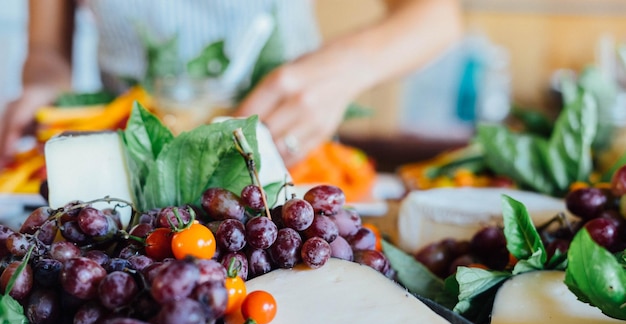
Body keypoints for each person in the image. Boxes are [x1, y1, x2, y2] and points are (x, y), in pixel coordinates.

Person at [0, 0, 463, 168]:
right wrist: (45, 89)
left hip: (287, 158)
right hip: (134, 169)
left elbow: (436, 16)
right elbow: (46, 50)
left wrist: (343, 69)